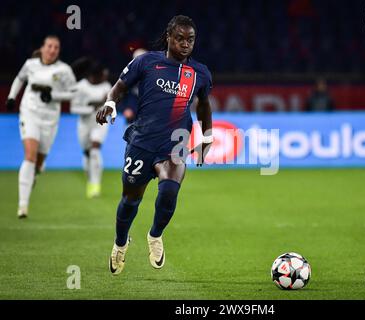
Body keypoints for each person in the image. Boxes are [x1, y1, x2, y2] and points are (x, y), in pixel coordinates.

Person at [96, 15, 213, 275]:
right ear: (169, 37)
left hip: (174, 145)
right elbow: (119, 87)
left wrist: (206, 138)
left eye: (190, 39)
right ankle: (120, 244)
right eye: (180, 38)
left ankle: (155, 235)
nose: (185, 44)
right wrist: (110, 103)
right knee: (130, 200)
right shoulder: (147, 62)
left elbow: (204, 105)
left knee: (170, 191)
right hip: (141, 143)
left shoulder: (200, 73)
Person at [5, 35, 76, 218]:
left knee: (39, 162)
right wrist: (12, 97)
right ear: (43, 48)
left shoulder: (64, 70)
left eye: (56, 47)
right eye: (50, 46)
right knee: (29, 155)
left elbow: (73, 92)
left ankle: (34, 174)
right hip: (30, 113)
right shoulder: (30, 65)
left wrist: (53, 95)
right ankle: (23, 205)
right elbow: (19, 79)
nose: (52, 50)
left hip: (50, 119)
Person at [71, 60, 111, 198]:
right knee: (87, 153)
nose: (104, 77)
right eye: (101, 75)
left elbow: (111, 105)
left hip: (100, 123)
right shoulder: (81, 87)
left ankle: (96, 185)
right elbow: (73, 108)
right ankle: (90, 181)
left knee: (95, 149)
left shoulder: (106, 86)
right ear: (94, 76)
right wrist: (91, 107)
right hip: (84, 124)